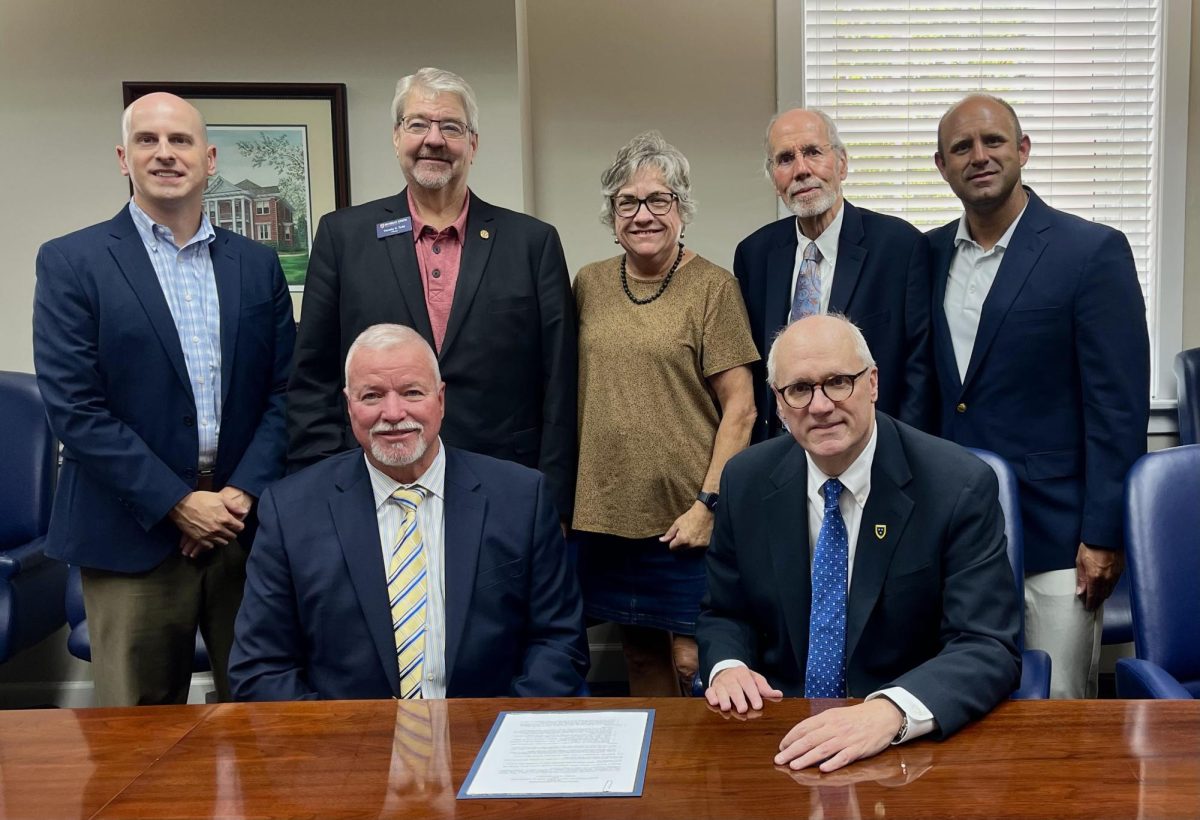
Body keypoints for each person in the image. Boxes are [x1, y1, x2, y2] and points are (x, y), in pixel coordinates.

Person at [33, 92, 295, 706]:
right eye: (147, 141)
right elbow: (75, 407)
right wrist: (177, 503)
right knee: (139, 747)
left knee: (263, 728)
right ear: (124, 159)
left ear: (208, 159)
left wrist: (239, 494)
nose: (165, 154)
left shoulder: (257, 265)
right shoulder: (73, 262)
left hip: (245, 531)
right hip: (130, 534)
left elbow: (288, 392)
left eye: (179, 141)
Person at [697, 314, 1019, 771]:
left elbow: (986, 645)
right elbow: (725, 611)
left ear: (872, 383)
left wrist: (888, 711)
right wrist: (728, 666)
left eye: (838, 382)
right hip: (778, 731)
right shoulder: (745, 480)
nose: (821, 405)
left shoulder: (957, 485)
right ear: (780, 404)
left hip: (906, 746)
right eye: (800, 389)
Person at [229, 324, 589, 700]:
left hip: (488, 740)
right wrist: (345, 745)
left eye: (412, 392)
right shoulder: (291, 512)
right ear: (349, 405)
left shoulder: (520, 498)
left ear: (441, 399)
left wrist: (500, 735)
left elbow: (559, 642)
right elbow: (260, 670)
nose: (394, 413)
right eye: (372, 396)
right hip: (348, 748)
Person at [930, 94, 1149, 699]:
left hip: (1058, 538)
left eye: (994, 141)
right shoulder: (924, 256)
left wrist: (1105, 534)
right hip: (953, 539)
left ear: (1022, 150)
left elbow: (1118, 409)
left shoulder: (1091, 252)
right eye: (961, 148)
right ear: (942, 166)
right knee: (964, 712)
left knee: (1058, 718)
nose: (979, 156)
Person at [287, 67, 577, 521]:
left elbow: (560, 384)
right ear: (396, 137)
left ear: (473, 144)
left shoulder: (532, 243)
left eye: (451, 127)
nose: (434, 139)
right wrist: (326, 484)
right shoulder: (343, 237)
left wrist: (554, 505)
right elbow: (312, 378)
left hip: (505, 491)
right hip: (374, 488)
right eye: (418, 123)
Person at [572, 131, 758, 696]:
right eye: (627, 202)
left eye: (659, 200)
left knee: (691, 660)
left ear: (681, 208)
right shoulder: (589, 283)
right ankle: (657, 778)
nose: (643, 214)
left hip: (684, 516)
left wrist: (708, 505)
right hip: (604, 514)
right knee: (639, 654)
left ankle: (708, 783)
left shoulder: (713, 288)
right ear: (612, 213)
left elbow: (742, 409)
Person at [734, 108, 935, 441]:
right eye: (785, 159)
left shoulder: (899, 246)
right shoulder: (754, 255)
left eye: (813, 152)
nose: (801, 170)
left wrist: (901, 453)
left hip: (872, 448)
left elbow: (919, 370)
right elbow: (753, 372)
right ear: (774, 180)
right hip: (780, 454)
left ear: (842, 164)